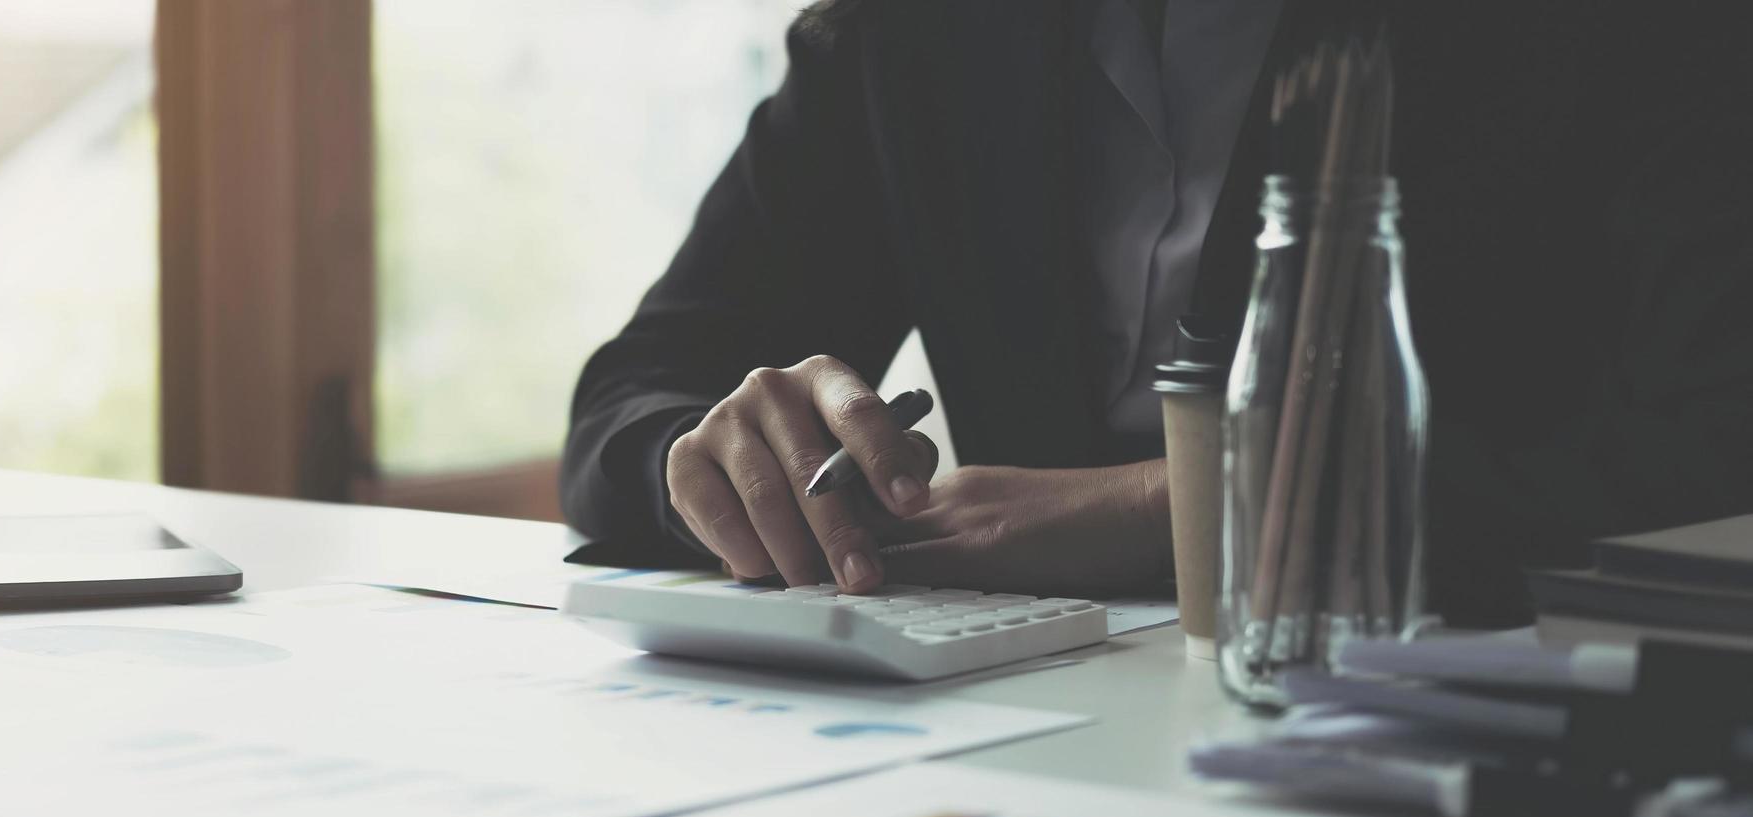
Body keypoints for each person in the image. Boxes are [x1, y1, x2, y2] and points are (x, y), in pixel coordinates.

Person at [560, 0, 1753, 626]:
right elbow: (633, 397)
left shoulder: (1621, 25)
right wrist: (713, 460)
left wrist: (1192, 505)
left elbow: (1714, 448)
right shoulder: (913, 34)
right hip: (1009, 745)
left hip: (1448, 721)